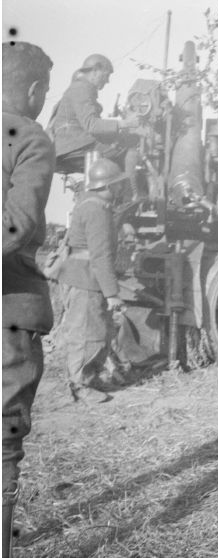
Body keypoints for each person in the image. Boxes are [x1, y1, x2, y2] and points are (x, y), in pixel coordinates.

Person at [2, 41, 55, 557]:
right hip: (9, 308)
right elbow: (16, 226)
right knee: (4, 438)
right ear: (36, 90)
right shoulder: (28, 135)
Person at [57, 158, 127, 403]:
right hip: (86, 279)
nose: (120, 189)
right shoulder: (97, 209)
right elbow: (100, 255)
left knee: (96, 331)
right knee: (87, 334)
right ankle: (80, 386)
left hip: (84, 277)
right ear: (107, 185)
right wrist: (112, 293)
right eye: (117, 184)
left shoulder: (88, 202)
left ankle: (88, 379)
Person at [47, 54, 139, 189]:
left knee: (120, 143)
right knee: (131, 146)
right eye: (106, 75)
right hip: (74, 145)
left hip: (69, 145)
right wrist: (125, 123)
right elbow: (92, 125)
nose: (107, 81)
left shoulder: (77, 88)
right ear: (95, 70)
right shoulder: (82, 88)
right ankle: (132, 192)